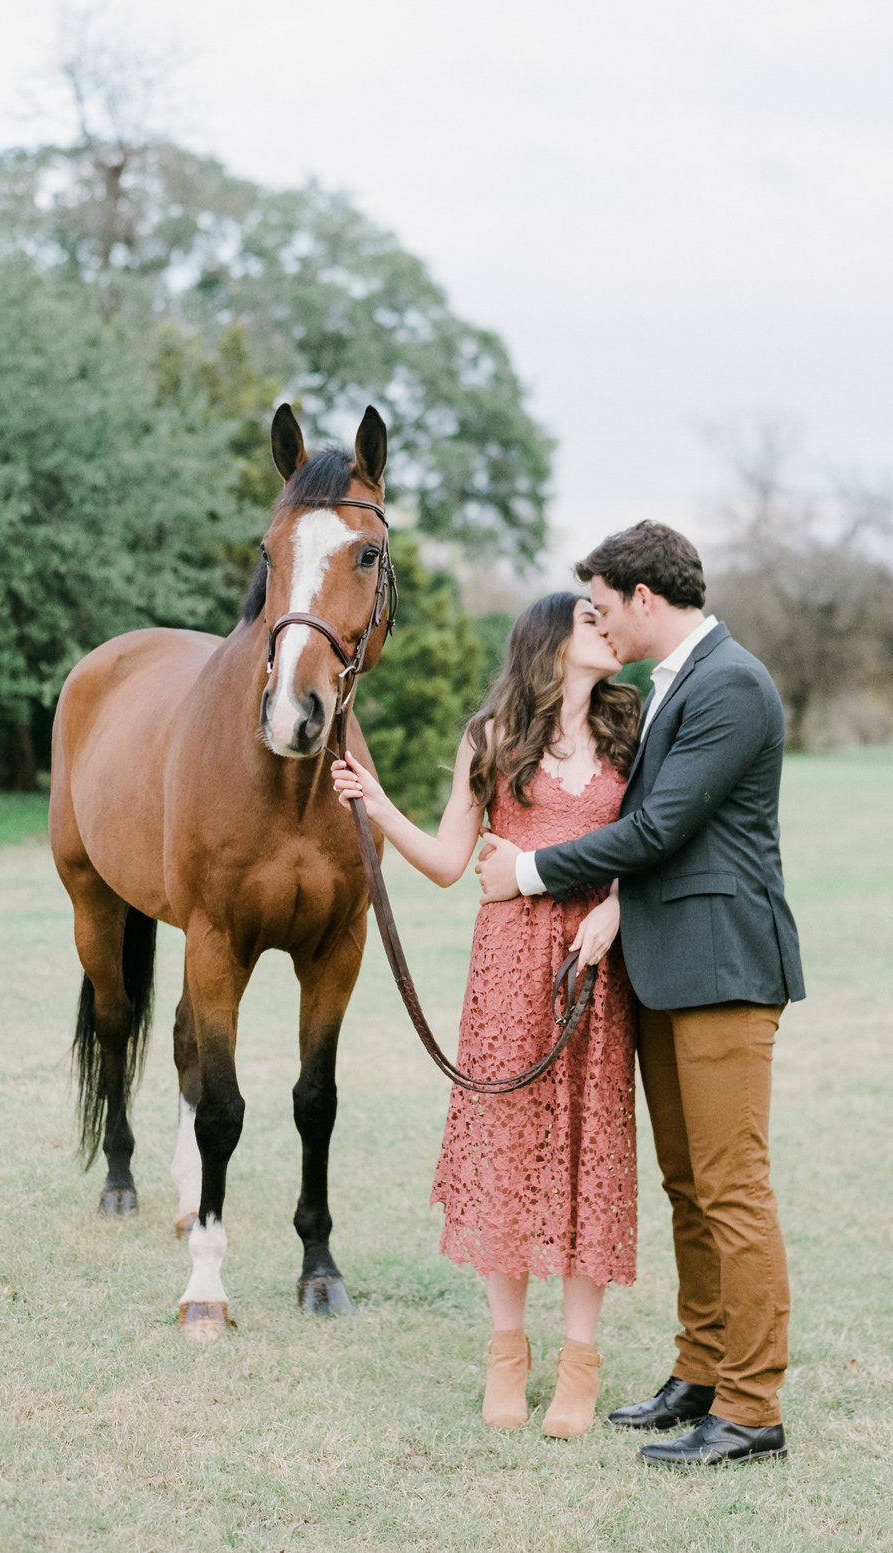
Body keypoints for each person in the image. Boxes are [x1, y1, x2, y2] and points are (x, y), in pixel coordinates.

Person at [476, 521, 804, 1469]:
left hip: (725, 971)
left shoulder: (732, 684)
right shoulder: (674, 686)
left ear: (645, 599)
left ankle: (751, 1406)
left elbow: (658, 828)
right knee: (688, 1187)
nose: (602, 624)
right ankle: (700, 1372)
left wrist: (534, 872)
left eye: (607, 605)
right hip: (667, 971)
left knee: (733, 1190)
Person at [331, 592, 640, 1437]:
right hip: (506, 967)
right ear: (550, 641)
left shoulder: (629, 730)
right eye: (591, 621)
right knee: (506, 1148)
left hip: (591, 967)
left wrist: (617, 911)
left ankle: (580, 1361)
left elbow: (648, 842)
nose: (609, 632)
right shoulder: (491, 737)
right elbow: (443, 861)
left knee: (588, 1148)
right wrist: (378, 801)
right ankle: (508, 1352)